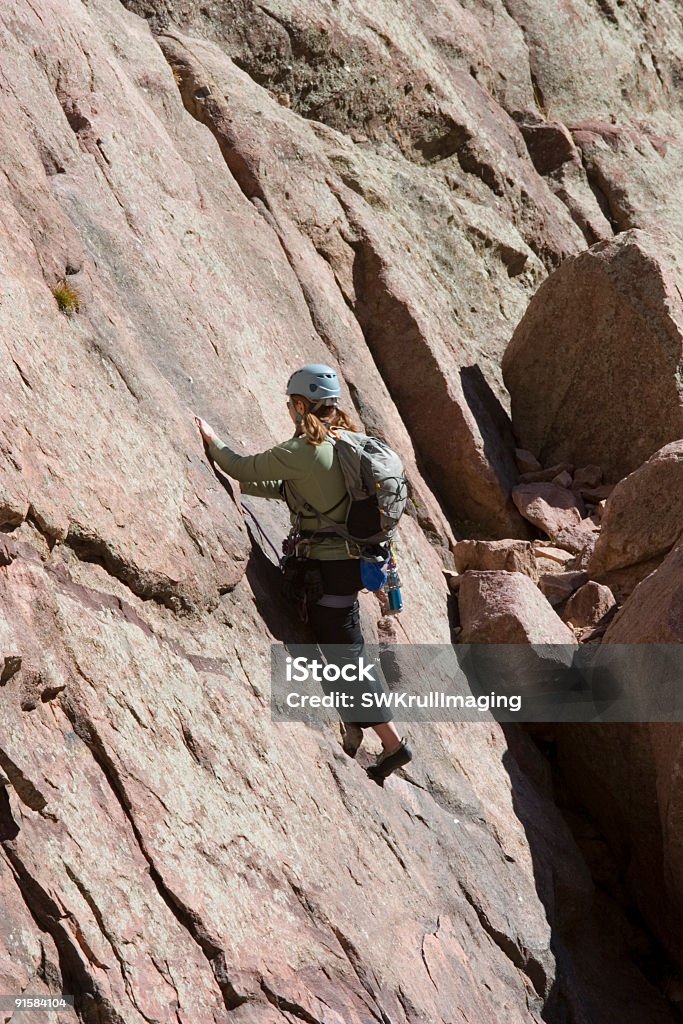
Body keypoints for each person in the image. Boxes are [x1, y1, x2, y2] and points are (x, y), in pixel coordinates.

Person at [195, 363, 413, 784]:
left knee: (346, 660)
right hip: (347, 566)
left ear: (299, 404)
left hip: (330, 571)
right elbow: (293, 490)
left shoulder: (302, 450)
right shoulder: (341, 442)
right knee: (339, 652)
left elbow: (240, 465)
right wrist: (249, 489)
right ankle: (354, 727)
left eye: (290, 404)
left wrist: (211, 439)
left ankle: (393, 744)